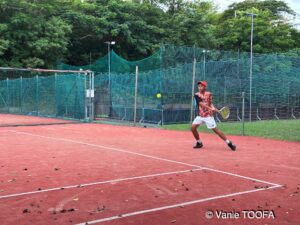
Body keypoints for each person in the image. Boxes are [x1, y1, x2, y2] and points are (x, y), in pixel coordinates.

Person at [191, 81, 236, 151]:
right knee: (193, 128)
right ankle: (199, 142)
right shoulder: (196, 95)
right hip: (200, 115)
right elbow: (200, 104)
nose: (199, 88)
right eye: (199, 86)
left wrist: (213, 107)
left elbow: (210, 103)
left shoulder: (209, 94)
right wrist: (210, 108)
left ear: (205, 87)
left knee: (216, 130)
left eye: (201, 86)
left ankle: (229, 143)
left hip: (208, 116)